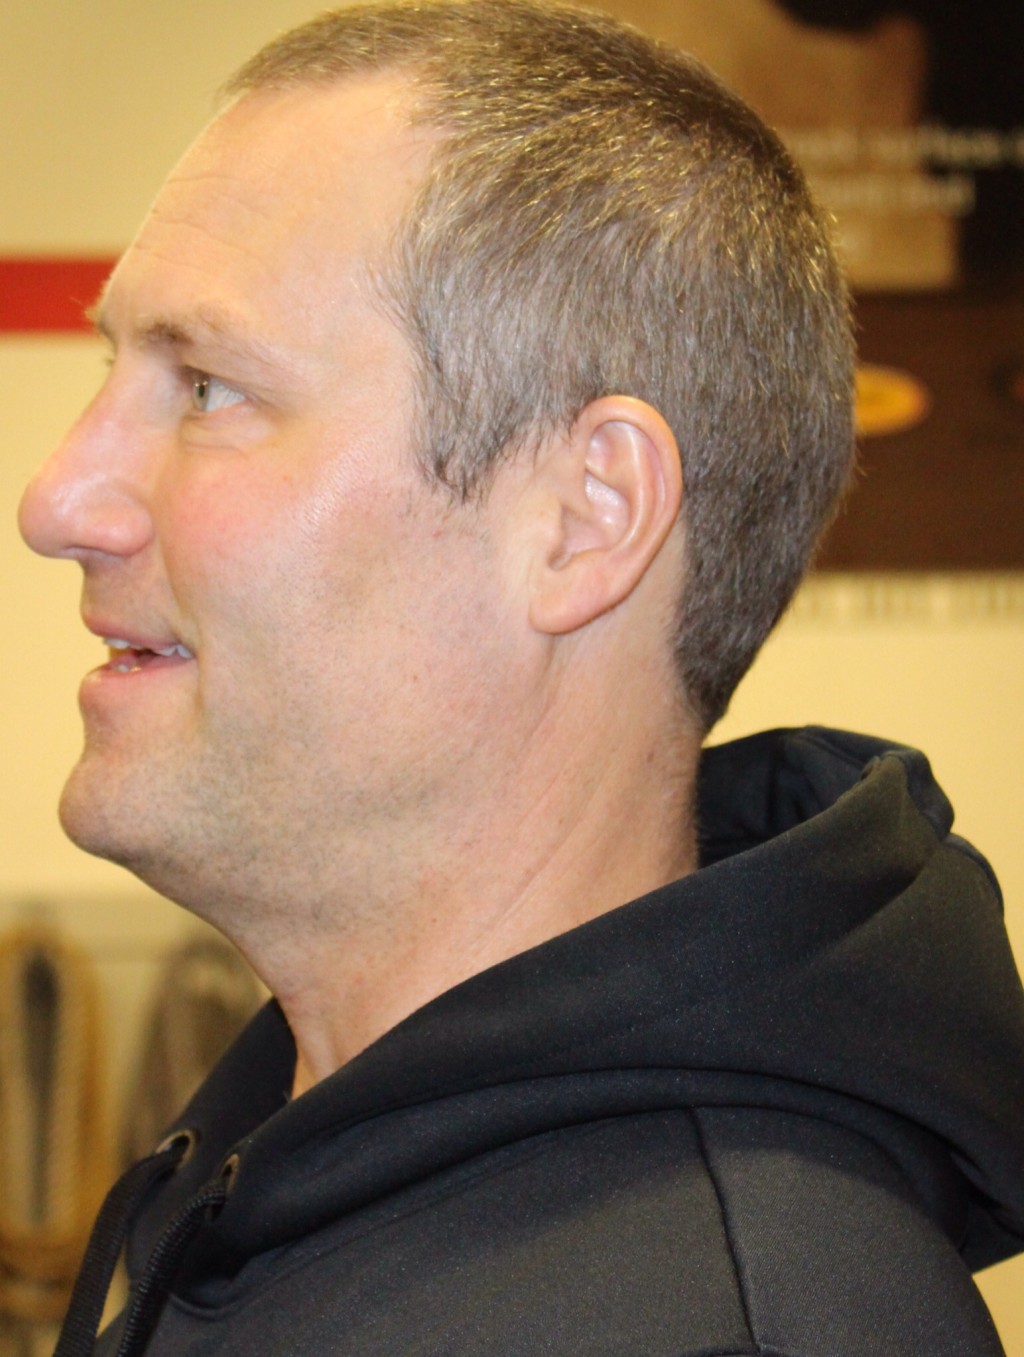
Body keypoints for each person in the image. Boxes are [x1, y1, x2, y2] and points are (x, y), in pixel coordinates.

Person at [18, 2, 1024, 1354]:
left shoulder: (729, 1324)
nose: (57, 500)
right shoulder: (303, 1173)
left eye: (206, 385)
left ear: (583, 518)